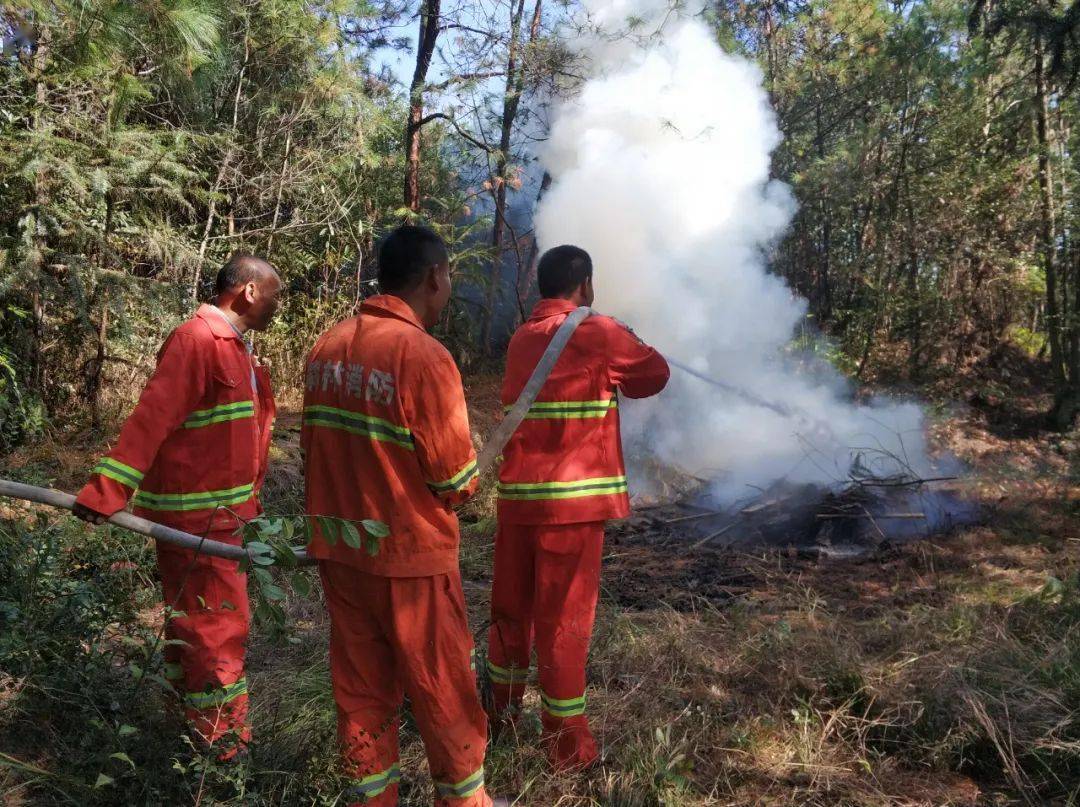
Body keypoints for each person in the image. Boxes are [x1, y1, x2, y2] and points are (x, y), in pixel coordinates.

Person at [302, 225, 507, 807]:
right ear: (435, 276)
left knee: (363, 693)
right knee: (443, 692)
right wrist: (469, 471)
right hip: (410, 558)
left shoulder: (327, 345)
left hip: (340, 553)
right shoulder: (424, 356)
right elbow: (454, 482)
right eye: (448, 280)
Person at [74, 254, 282, 758]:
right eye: (275, 292)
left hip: (224, 521)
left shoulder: (234, 347)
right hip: (198, 524)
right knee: (216, 633)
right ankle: (222, 753)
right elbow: (152, 418)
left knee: (193, 629)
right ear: (249, 291)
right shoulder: (197, 340)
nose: (279, 303)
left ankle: (185, 734)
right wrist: (107, 491)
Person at [487, 244, 670, 770]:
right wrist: (626, 334)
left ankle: (498, 722)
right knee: (564, 627)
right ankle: (567, 751)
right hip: (572, 507)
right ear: (585, 284)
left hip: (519, 503)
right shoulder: (600, 331)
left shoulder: (523, 337)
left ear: (540, 287)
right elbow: (654, 375)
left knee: (509, 616)